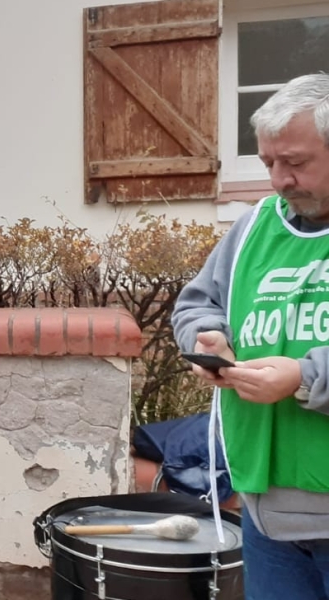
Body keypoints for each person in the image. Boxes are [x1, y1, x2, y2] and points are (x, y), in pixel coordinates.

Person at [173, 73, 329, 598]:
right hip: (266, 518)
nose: (280, 179)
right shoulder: (253, 226)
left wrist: (307, 377)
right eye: (268, 164)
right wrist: (207, 340)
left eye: (296, 162)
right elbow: (198, 304)